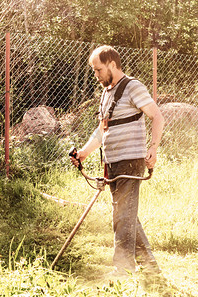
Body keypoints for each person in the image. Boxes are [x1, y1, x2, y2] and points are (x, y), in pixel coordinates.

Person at [70, 45, 164, 276]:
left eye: (98, 69)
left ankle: (122, 271)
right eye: (94, 70)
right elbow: (103, 130)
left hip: (131, 161)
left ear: (112, 64)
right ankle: (149, 264)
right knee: (127, 214)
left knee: (123, 215)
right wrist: (83, 152)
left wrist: (153, 148)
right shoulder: (107, 93)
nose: (96, 75)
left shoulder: (133, 87)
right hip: (112, 163)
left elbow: (158, 116)